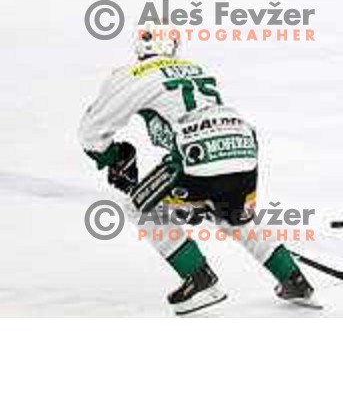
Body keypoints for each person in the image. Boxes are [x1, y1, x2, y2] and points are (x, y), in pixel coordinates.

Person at [79, 23, 319, 315]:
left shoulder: (132, 74)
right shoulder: (196, 69)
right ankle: (293, 279)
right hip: (244, 148)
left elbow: (91, 131)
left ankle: (199, 278)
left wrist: (113, 156)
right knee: (231, 215)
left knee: (137, 206)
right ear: (174, 48)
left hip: (199, 155)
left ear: (140, 48)